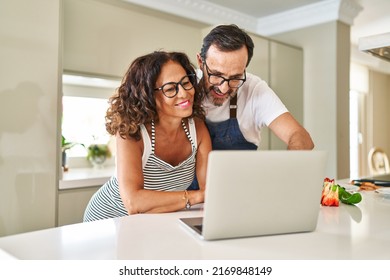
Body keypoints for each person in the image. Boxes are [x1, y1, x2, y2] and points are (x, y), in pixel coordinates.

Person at [83, 51, 211, 222]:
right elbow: (133, 203)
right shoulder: (133, 132)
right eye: (171, 88)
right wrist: (195, 197)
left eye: (186, 83)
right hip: (108, 220)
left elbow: (210, 191)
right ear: (149, 95)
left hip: (151, 222)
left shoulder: (198, 129)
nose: (184, 93)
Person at [187, 24, 314, 190]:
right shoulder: (183, 87)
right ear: (200, 61)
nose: (224, 88)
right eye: (216, 75)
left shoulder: (255, 89)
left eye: (235, 78)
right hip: (184, 200)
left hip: (239, 196)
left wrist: (286, 175)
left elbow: (300, 136)